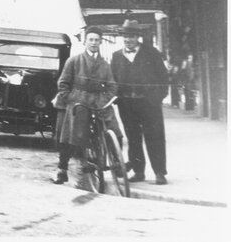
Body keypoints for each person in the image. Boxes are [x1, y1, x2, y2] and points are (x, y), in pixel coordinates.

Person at [52, 28, 117, 187]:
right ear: (85, 41)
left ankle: (116, 160)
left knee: (112, 120)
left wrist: (105, 99)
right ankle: (63, 168)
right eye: (91, 40)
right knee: (72, 128)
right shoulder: (74, 61)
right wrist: (70, 98)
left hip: (97, 99)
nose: (94, 43)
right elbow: (63, 83)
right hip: (77, 99)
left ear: (100, 42)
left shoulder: (105, 65)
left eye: (97, 40)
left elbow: (111, 86)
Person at [110, 19, 169, 185]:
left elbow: (163, 78)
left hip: (149, 104)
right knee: (133, 138)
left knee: (155, 136)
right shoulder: (116, 57)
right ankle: (138, 171)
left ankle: (159, 172)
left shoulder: (152, 53)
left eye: (131, 36)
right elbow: (112, 80)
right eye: (125, 37)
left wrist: (157, 98)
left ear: (138, 37)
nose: (128, 40)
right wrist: (117, 99)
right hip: (127, 105)